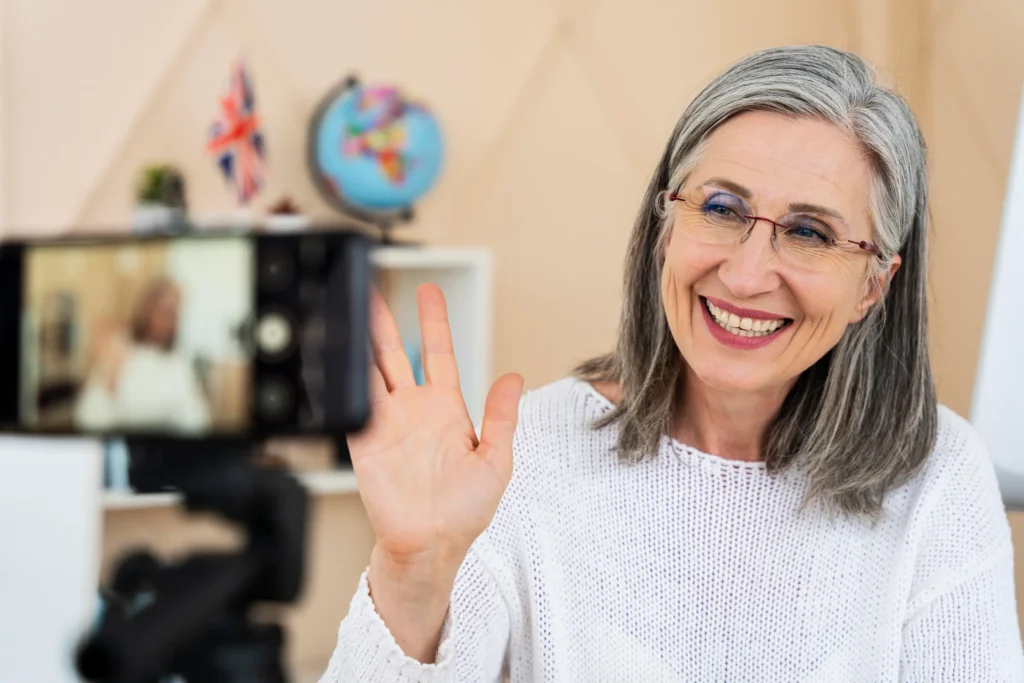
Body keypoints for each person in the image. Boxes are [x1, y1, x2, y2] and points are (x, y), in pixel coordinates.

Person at [320, 46, 1024, 681]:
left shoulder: (939, 479)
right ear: (667, 224)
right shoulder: (527, 453)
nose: (747, 275)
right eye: (721, 208)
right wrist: (410, 572)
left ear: (873, 285)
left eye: (810, 232)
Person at [74, 275, 211, 434]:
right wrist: (112, 380)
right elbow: (87, 421)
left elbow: (198, 423)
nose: (167, 321)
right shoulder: (118, 350)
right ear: (147, 309)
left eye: (174, 314)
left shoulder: (178, 364)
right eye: (163, 310)